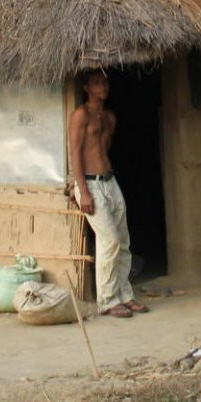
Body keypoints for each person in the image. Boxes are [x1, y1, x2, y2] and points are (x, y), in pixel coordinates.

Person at [66, 69, 145, 318]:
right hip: (90, 183)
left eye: (105, 82)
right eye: (97, 83)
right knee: (109, 239)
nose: (104, 87)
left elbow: (104, 150)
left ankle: (125, 295)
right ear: (86, 88)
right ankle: (108, 300)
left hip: (110, 181)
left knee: (122, 241)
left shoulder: (109, 118)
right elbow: (75, 153)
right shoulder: (80, 115)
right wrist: (82, 190)